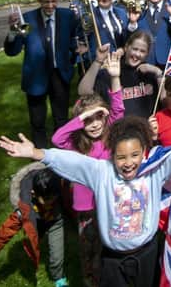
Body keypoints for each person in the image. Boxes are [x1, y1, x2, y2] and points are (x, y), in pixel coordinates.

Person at [0, 116, 171, 287]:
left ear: (144, 153)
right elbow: (70, 161)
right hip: (112, 259)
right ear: (111, 156)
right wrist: (36, 153)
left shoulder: (154, 170)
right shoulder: (101, 172)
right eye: (121, 157)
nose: (128, 162)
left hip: (147, 254)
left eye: (134, 155)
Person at [51, 51, 124, 286]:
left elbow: (118, 110)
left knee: (111, 250)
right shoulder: (75, 144)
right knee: (89, 252)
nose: (94, 125)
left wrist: (114, 78)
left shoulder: (109, 136)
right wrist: (85, 116)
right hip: (86, 209)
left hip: (111, 203)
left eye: (98, 119)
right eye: (88, 121)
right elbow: (56, 138)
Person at [5, 0, 80, 148]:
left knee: (61, 118)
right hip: (36, 77)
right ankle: (39, 156)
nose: (50, 6)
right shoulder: (27, 20)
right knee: (37, 121)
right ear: (39, 0)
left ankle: (62, 152)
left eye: (54, 1)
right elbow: (13, 51)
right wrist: (12, 32)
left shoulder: (67, 16)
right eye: (46, 2)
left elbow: (76, 36)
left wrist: (74, 52)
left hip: (60, 74)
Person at [0, 164, 68, 287]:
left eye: (54, 197)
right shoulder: (24, 209)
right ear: (33, 193)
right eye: (47, 199)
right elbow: (5, 231)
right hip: (37, 220)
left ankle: (58, 276)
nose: (50, 201)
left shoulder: (57, 186)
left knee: (57, 257)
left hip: (55, 222)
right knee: (35, 238)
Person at [79, 32, 161, 118]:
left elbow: (164, 101)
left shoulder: (150, 73)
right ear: (126, 47)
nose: (137, 54)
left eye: (142, 51)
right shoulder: (112, 70)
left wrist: (158, 72)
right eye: (135, 49)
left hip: (145, 128)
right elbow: (83, 91)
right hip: (118, 128)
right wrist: (98, 61)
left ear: (147, 54)